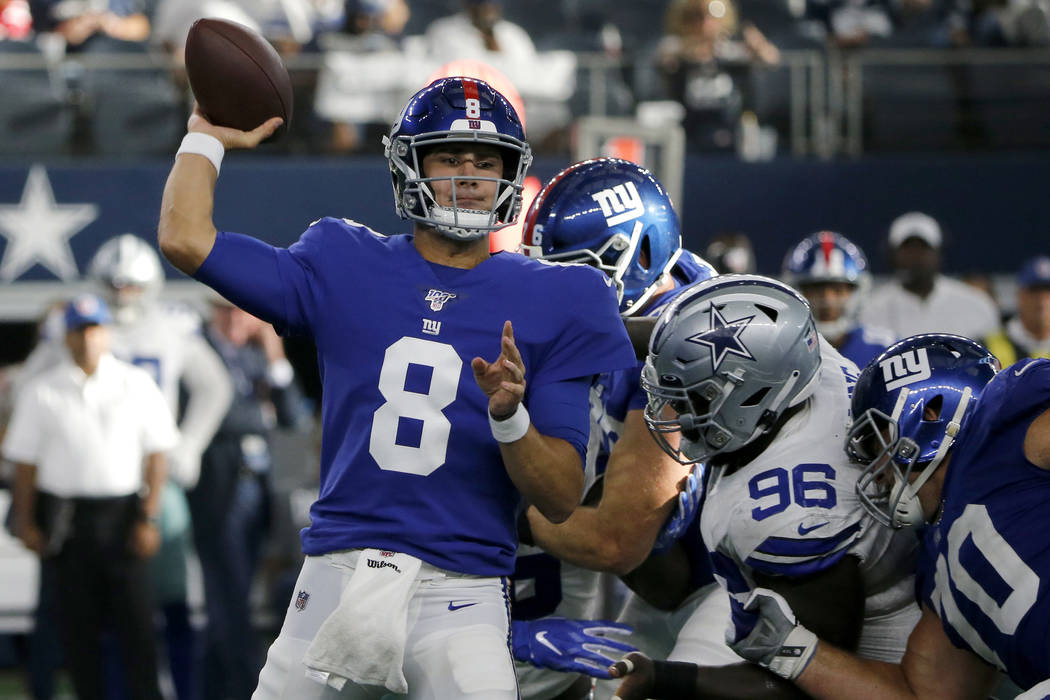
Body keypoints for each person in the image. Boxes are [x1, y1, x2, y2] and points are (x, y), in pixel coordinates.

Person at [157, 76, 637, 699]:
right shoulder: (343, 258)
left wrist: (511, 419)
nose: (468, 174)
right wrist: (204, 137)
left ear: (511, 176)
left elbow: (561, 498)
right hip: (338, 574)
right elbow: (185, 238)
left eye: (486, 161)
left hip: (461, 595)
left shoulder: (560, 297)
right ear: (410, 166)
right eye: (449, 157)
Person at [608, 275, 921, 699]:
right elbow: (705, 346)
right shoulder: (799, 357)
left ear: (751, 397)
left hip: (881, 656)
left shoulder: (792, 514)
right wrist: (586, 328)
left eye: (695, 399)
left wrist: (664, 677)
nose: (675, 412)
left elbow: (803, 683)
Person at [722, 333, 1050, 698]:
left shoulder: (1010, 415)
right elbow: (920, 694)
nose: (878, 472)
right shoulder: (936, 572)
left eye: (880, 444)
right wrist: (790, 649)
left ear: (930, 413)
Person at [513, 157, 733, 700]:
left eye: (574, 272)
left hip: (745, 587)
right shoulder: (634, 318)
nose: (554, 296)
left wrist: (516, 517)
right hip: (678, 588)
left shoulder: (693, 339)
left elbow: (618, 543)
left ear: (644, 254)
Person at [3, 294, 179, 700]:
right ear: (66, 337)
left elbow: (158, 454)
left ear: (107, 333)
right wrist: (26, 522)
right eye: (79, 330)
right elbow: (25, 465)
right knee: (77, 634)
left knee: (138, 631)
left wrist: (149, 517)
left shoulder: (135, 384)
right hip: (68, 521)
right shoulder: (43, 390)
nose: (87, 339)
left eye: (94, 329)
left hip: (123, 516)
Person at [190, 297, 309, 700]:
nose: (235, 317)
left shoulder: (257, 359)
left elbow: (295, 417)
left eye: (241, 309)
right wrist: (261, 415)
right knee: (228, 599)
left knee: (237, 599)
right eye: (225, 308)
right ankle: (239, 689)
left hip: (260, 489)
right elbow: (217, 415)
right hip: (218, 489)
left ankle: (215, 688)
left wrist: (276, 358)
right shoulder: (198, 351)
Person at [859, 211, 999, 341]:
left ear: (938, 253)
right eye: (907, 249)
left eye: (923, 248)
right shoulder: (870, 310)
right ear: (892, 255)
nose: (915, 257)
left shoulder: (977, 305)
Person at [781, 230, 893, 369]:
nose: (828, 300)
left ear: (857, 293)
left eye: (838, 290)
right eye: (816, 290)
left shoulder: (884, 350)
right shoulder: (780, 350)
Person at [983, 255, 1050, 366]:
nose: (1042, 300)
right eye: (1034, 291)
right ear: (1019, 295)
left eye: (1047, 291)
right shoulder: (988, 347)